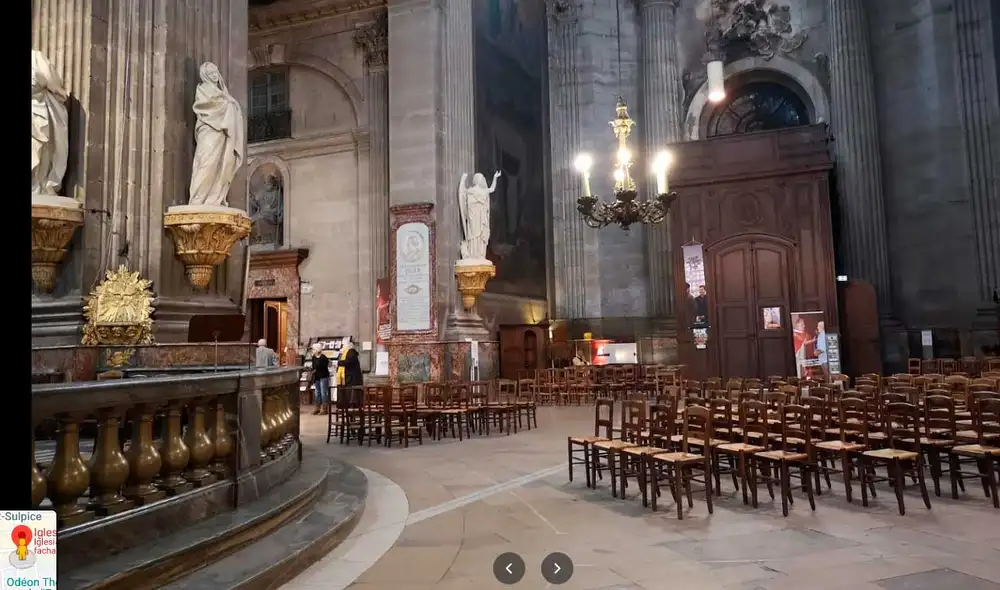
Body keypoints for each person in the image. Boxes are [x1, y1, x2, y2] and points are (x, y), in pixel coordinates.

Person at [337, 337, 364, 406]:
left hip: (352, 377)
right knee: (349, 391)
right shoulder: (348, 352)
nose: (342, 347)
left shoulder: (351, 352)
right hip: (350, 376)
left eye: (343, 345)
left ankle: (352, 404)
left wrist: (338, 363)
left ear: (347, 346)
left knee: (352, 392)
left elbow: (348, 362)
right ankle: (348, 404)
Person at [309, 343, 331, 415]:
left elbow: (324, 367)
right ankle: (317, 408)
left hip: (323, 376)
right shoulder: (314, 357)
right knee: (317, 392)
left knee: (323, 392)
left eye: (314, 349)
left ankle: (325, 409)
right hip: (317, 377)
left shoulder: (323, 358)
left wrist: (316, 369)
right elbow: (314, 366)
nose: (312, 350)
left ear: (317, 349)